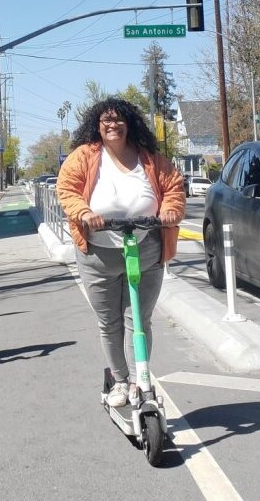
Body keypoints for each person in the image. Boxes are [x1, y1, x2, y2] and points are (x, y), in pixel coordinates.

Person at [56, 97, 185, 408]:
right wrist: (85, 213)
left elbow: (174, 188)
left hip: (146, 247)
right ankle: (120, 380)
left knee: (139, 319)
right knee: (109, 321)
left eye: (118, 120)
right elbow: (67, 189)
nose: (112, 125)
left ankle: (142, 379)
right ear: (97, 126)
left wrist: (169, 211)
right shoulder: (84, 156)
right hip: (97, 254)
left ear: (130, 124)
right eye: (105, 121)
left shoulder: (151, 159)